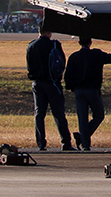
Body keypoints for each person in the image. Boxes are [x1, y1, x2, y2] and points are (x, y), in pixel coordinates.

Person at [63, 36, 111, 151]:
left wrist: (72, 87)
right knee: (99, 115)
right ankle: (83, 139)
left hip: (79, 91)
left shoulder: (74, 56)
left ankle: (85, 144)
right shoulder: (96, 54)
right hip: (93, 90)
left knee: (82, 118)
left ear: (79, 42)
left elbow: (67, 75)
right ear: (90, 42)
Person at [25, 22, 75, 152]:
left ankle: (41, 143)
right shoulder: (54, 45)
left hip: (37, 82)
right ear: (49, 32)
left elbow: (29, 67)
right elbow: (62, 63)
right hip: (52, 83)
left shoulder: (31, 46)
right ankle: (66, 142)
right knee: (58, 114)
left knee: (39, 113)